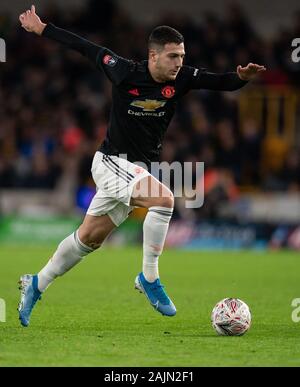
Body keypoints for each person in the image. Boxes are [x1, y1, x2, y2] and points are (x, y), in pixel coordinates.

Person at [18, 5, 266, 327]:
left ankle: (36, 283)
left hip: (136, 171)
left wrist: (241, 78)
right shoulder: (123, 71)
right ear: (153, 56)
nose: (179, 63)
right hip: (111, 163)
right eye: (172, 56)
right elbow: (84, 46)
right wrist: (42, 28)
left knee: (89, 238)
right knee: (164, 200)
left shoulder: (183, 79)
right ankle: (149, 277)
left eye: (181, 56)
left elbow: (219, 81)